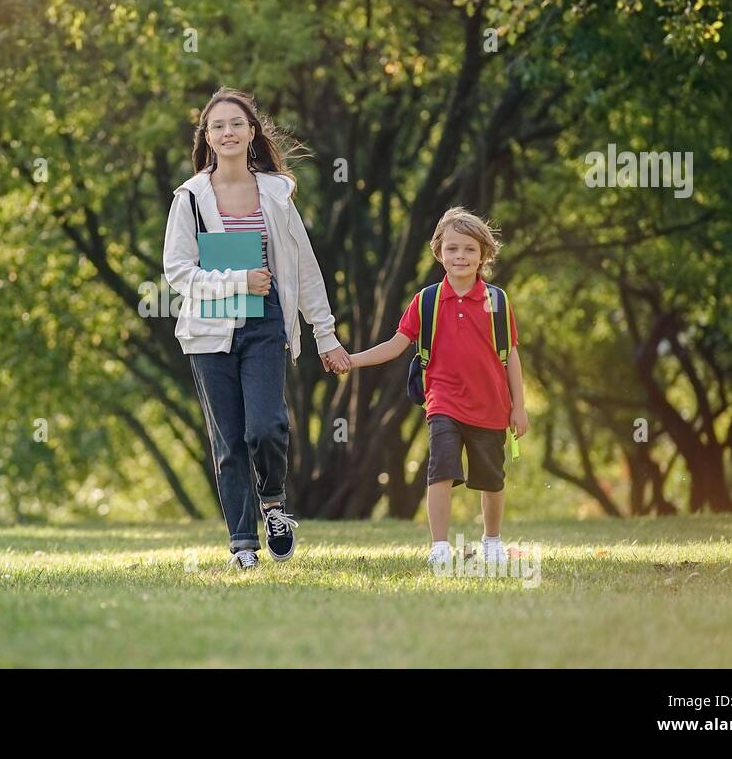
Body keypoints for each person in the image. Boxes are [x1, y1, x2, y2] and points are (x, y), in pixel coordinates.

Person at [162, 87, 351, 570]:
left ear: (251, 133)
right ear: (207, 136)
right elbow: (178, 272)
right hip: (209, 331)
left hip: (265, 320)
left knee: (266, 427)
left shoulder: (276, 193)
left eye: (236, 124)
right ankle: (243, 545)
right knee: (228, 443)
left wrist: (325, 334)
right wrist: (236, 279)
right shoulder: (190, 198)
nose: (227, 132)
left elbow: (304, 267)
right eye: (217, 126)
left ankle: (273, 504)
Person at [347, 208, 529, 565]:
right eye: (452, 249)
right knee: (441, 471)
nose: (460, 256)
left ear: (483, 255)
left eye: (469, 249)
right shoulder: (426, 300)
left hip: (491, 406)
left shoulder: (497, 301)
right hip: (443, 402)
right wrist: (352, 360)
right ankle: (440, 547)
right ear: (439, 253)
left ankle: (492, 541)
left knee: (491, 481)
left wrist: (518, 407)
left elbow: (511, 356)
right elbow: (396, 345)